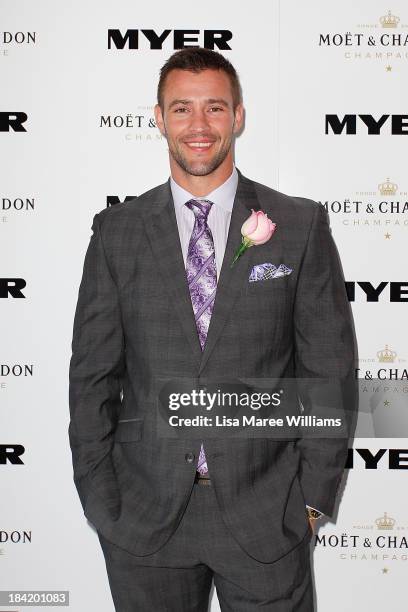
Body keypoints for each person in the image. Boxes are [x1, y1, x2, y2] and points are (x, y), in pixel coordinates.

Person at [68, 47, 357, 611]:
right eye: (181, 109)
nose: (198, 126)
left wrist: (311, 499)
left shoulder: (298, 226)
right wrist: (103, 500)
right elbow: (92, 379)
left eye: (214, 109)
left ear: (239, 116)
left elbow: (329, 368)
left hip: (267, 516)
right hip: (145, 520)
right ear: (159, 119)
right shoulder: (117, 233)